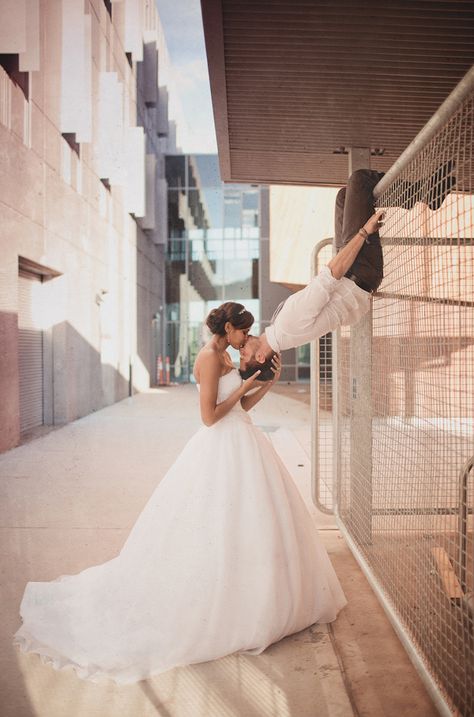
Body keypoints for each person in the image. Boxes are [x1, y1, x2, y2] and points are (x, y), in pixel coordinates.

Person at [13, 301, 347, 684]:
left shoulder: (225, 355)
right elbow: (209, 416)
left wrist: (264, 383)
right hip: (219, 444)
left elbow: (242, 408)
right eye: (242, 332)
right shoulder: (208, 357)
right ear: (226, 329)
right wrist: (245, 384)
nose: (246, 340)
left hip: (241, 440)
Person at [240, 164, 455, 376]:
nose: (241, 351)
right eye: (243, 357)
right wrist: (363, 232)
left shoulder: (283, 332)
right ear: (260, 357)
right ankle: (427, 193)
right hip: (358, 271)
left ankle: (427, 193)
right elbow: (329, 277)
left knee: (344, 197)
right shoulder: (286, 326)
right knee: (359, 180)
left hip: (354, 273)